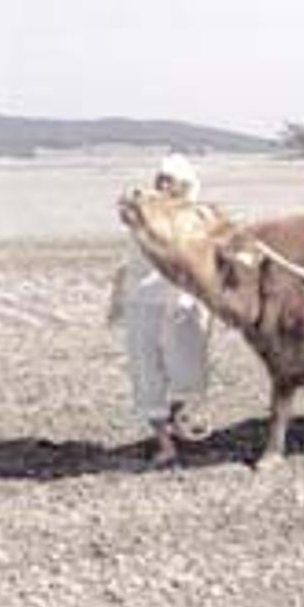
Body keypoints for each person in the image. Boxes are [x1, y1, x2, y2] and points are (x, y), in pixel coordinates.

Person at [108, 154, 211, 466]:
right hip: (142, 301)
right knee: (147, 372)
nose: (163, 184)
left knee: (189, 370)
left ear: (185, 185)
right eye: (160, 178)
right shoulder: (141, 210)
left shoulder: (198, 216)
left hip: (182, 303)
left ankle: (177, 418)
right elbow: (126, 208)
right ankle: (164, 443)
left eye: (171, 179)